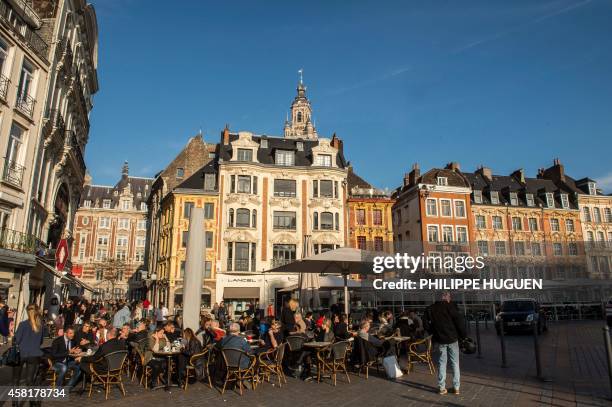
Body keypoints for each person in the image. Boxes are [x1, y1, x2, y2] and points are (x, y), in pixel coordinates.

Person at [424, 292, 466, 395]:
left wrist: (433, 332)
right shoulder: (451, 307)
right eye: (448, 296)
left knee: (442, 363)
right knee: (455, 363)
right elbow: (459, 322)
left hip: (440, 339)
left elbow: (425, 324)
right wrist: (463, 336)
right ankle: (456, 387)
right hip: (452, 338)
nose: (449, 298)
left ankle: (441, 387)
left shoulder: (430, 308)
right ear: (444, 297)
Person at [12, 305, 44, 387]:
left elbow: (17, 340)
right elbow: (41, 342)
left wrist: (13, 335)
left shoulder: (23, 324)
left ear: (27, 312)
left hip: (21, 354)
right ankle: (31, 399)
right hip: (34, 354)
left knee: (16, 380)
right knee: (30, 381)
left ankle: (15, 400)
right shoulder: (40, 326)